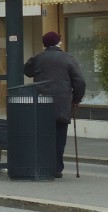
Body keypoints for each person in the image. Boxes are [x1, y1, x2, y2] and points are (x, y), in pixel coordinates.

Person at [23, 31, 86, 177]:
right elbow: (80, 82)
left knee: (42, 136)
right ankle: (57, 168)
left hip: (41, 103)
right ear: (58, 42)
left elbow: (27, 71)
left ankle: (43, 164)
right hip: (61, 104)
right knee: (59, 137)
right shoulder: (68, 58)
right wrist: (76, 99)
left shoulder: (38, 58)